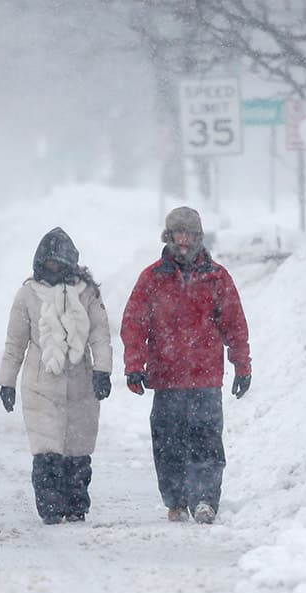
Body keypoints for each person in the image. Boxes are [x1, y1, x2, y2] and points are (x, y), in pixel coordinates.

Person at [120, 206, 251, 525]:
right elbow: (134, 324)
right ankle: (177, 499)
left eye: (190, 234)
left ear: (198, 237)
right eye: (178, 233)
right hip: (166, 379)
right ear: (168, 236)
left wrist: (242, 366)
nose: (183, 240)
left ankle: (205, 499)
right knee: (168, 446)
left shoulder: (217, 277)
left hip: (205, 379)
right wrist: (134, 365)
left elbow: (235, 325)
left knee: (207, 441)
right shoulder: (152, 278)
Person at [0, 227, 113, 525]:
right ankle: (49, 505)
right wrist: (6, 381)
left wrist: (103, 370)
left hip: (81, 383)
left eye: (59, 263)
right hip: (40, 384)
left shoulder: (87, 293)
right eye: (49, 263)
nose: (54, 268)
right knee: (47, 450)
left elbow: (100, 334)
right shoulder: (27, 295)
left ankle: (76, 504)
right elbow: (15, 343)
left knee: (78, 450)